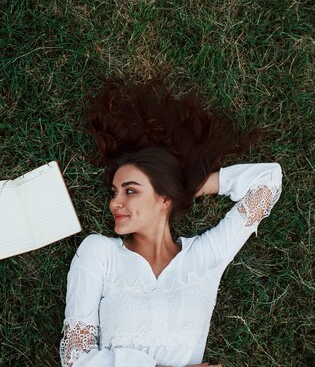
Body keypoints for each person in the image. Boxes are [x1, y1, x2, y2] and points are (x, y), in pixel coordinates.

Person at [59, 78, 283, 367]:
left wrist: (188, 188)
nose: (115, 202)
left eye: (130, 190)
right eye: (114, 192)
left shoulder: (205, 257)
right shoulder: (99, 252)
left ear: (163, 199)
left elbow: (268, 181)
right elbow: (75, 358)